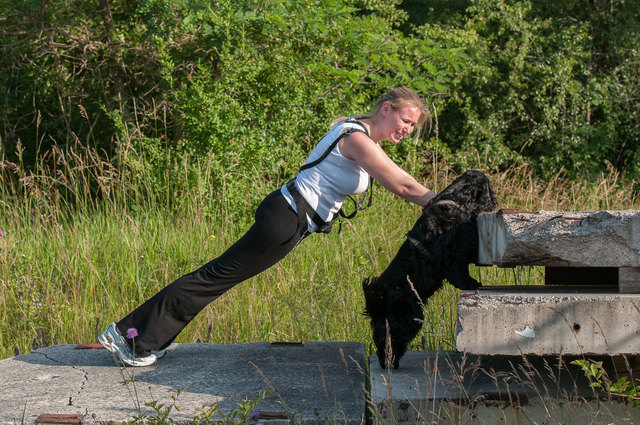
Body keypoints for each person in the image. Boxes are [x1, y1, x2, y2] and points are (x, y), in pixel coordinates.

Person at [98, 87, 437, 366]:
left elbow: (402, 179)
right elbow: (403, 186)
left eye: (413, 125)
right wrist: (450, 206)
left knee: (216, 278)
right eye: (405, 120)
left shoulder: (362, 135)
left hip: (290, 218)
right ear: (386, 108)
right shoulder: (357, 138)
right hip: (286, 217)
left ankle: (145, 338)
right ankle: (130, 338)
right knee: (215, 277)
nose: (407, 129)